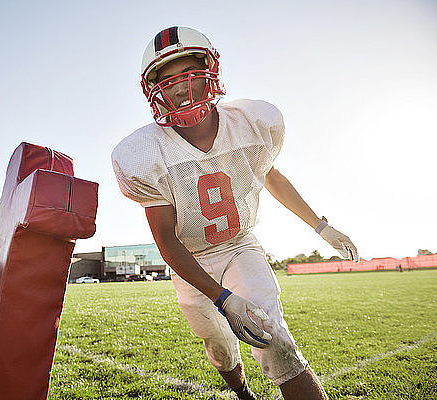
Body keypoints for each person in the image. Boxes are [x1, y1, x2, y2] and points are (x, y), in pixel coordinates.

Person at [111, 26, 359, 400]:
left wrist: (321, 226)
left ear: (210, 71)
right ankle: (243, 393)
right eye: (168, 80)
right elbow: (165, 238)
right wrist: (221, 297)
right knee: (221, 349)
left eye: (188, 73)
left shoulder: (252, 122)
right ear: (154, 91)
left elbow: (269, 175)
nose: (180, 88)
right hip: (190, 259)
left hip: (240, 244)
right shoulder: (143, 153)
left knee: (271, 334)